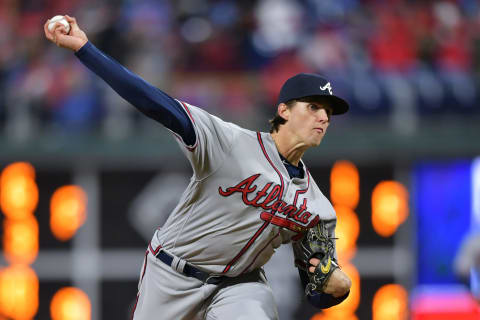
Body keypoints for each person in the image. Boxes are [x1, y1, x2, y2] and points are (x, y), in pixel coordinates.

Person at [44, 15, 352, 320]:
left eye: (327, 111)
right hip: (171, 274)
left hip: (240, 286)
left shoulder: (317, 207)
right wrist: (86, 49)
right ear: (283, 110)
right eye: (313, 107)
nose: (323, 118)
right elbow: (153, 101)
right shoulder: (231, 143)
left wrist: (336, 287)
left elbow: (316, 289)